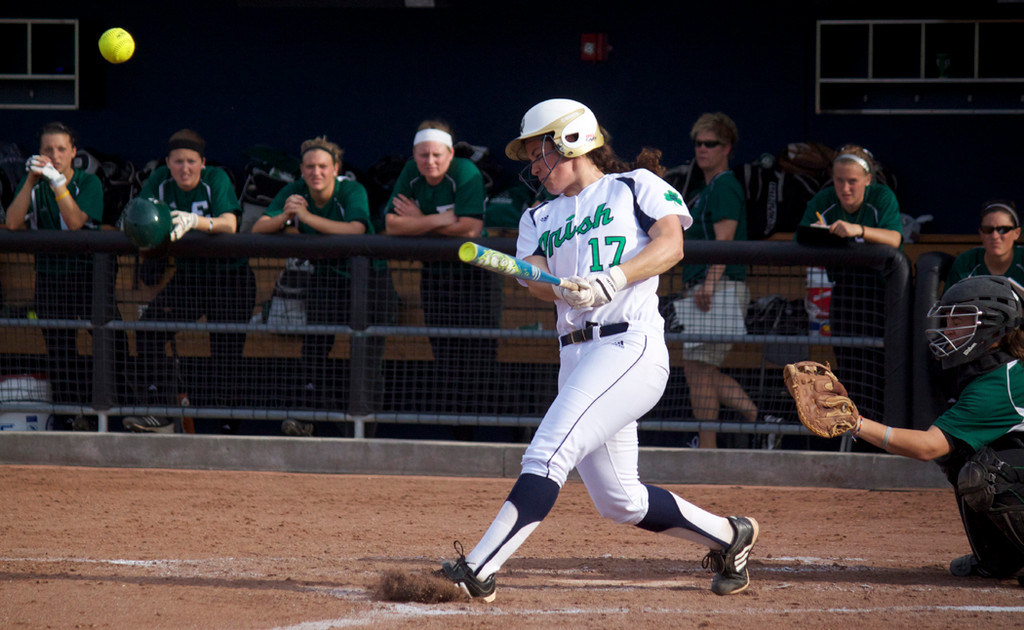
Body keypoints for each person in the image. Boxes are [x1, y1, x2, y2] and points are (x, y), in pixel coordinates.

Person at [436, 98, 759, 601]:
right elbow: (538, 282)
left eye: (540, 152)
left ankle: (478, 569)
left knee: (546, 454)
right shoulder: (537, 216)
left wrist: (610, 280)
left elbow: (671, 245)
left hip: (629, 345)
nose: (534, 165)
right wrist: (564, 287)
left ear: (572, 139)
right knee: (619, 500)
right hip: (577, 356)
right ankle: (729, 536)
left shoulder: (633, 186)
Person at [841, 275, 1024, 583]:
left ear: (993, 325)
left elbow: (927, 446)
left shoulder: (1003, 382)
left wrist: (856, 423)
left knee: (989, 472)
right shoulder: (993, 370)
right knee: (962, 456)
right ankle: (1000, 559)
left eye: (960, 320)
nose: (948, 329)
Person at [252, 136, 388, 436]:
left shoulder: (351, 189)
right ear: (301, 169)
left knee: (365, 358)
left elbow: (357, 229)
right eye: (310, 166)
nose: (317, 172)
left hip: (371, 282)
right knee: (313, 349)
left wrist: (306, 217)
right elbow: (258, 227)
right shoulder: (295, 191)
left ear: (335, 168)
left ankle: (365, 432)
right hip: (327, 279)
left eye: (323, 166)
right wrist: (287, 216)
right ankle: (306, 419)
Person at [124, 129, 255, 434]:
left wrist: (195, 221)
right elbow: (137, 215)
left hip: (230, 277)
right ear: (168, 162)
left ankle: (228, 428)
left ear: (202, 162)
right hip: (190, 278)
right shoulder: (159, 180)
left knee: (226, 350)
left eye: (192, 162)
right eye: (179, 161)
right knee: (149, 331)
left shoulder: (216, 179)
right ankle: (162, 413)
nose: (185, 168)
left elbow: (230, 223)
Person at [384, 119, 499, 415]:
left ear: (450, 154)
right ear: (414, 155)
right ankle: (454, 422)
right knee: (443, 351)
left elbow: (471, 230)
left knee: (478, 354)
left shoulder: (466, 172)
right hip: (435, 274)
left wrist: (418, 221)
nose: (430, 161)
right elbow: (392, 225)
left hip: (476, 277)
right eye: (423, 155)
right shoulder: (412, 172)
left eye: (437, 155)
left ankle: (479, 422)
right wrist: (442, 219)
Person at [5, 122, 105, 429]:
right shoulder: (33, 183)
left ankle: (114, 411)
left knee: (107, 341)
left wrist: (57, 182)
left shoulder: (88, 183)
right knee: (60, 349)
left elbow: (75, 222)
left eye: (61, 149)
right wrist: (31, 180)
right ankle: (70, 416)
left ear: (74, 152)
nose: (54, 155)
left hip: (89, 278)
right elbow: (11, 223)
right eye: (48, 149)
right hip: (49, 276)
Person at [796, 144, 902, 424]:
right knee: (849, 366)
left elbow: (895, 238)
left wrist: (859, 230)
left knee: (879, 367)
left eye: (853, 181)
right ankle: (854, 428)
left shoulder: (881, 196)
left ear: (867, 179)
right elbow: (802, 234)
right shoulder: (825, 199)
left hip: (882, 294)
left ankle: (882, 432)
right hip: (844, 291)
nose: (845, 188)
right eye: (839, 180)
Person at [676, 113, 757, 449]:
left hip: (719, 287)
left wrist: (710, 282)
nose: (702, 149)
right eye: (698, 143)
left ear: (727, 148)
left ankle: (709, 448)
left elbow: (725, 240)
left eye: (710, 144)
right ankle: (759, 421)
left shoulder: (724, 185)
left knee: (698, 369)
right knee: (700, 369)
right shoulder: (708, 187)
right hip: (708, 288)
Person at [945, 201, 1024, 290]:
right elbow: (949, 301)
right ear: (981, 233)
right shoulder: (966, 263)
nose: (995, 236)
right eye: (988, 229)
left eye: (1003, 229)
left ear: (1016, 233)